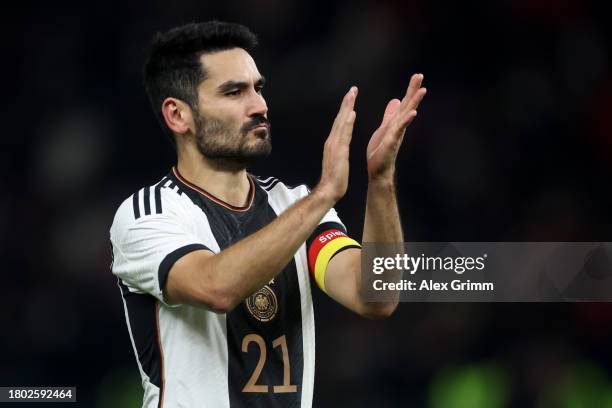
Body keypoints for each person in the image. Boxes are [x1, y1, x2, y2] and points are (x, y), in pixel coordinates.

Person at [110, 21, 426, 408]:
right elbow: (216, 287)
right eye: (233, 92)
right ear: (179, 116)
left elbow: (375, 296)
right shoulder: (148, 214)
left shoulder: (295, 204)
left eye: (258, 88)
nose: (259, 105)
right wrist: (325, 194)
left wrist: (380, 182)